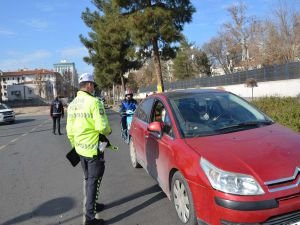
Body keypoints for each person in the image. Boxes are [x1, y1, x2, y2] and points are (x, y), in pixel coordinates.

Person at [66, 73, 112, 225]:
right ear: (89, 85)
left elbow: (69, 130)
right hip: (94, 149)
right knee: (94, 180)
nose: (93, 88)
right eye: (93, 85)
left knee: (88, 179)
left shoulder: (72, 105)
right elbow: (102, 127)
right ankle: (90, 218)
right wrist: (108, 131)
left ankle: (92, 204)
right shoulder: (94, 102)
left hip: (80, 149)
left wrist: (75, 146)